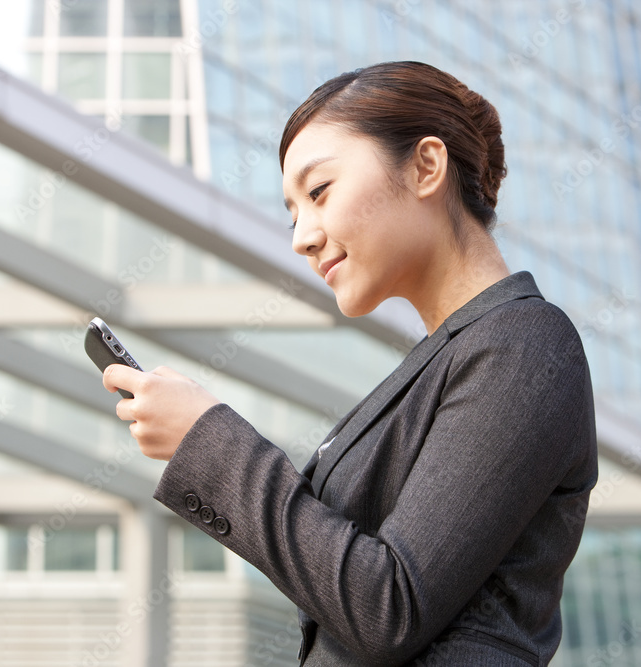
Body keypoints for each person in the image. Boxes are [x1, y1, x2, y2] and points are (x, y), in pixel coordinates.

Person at [102, 60, 598, 666]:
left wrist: (209, 441)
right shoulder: (451, 359)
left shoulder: (524, 343)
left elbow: (387, 605)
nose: (301, 237)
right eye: (293, 213)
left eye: (319, 192)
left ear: (425, 167)